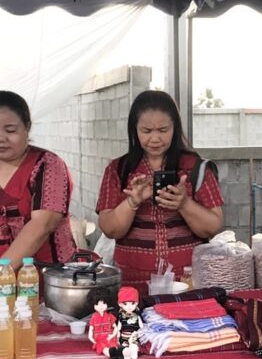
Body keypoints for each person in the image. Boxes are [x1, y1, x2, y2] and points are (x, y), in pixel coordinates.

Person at [96, 90, 224, 295]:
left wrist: (184, 204)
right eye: (146, 131)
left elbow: (212, 227)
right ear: (134, 129)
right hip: (132, 286)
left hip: (188, 282)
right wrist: (132, 202)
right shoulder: (118, 170)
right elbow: (110, 230)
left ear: (175, 128)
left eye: (163, 130)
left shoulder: (196, 168)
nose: (155, 139)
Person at [0, 91, 77, 296]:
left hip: (48, 282)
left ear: (27, 127)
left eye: (10, 130)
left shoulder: (47, 165)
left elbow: (43, 224)